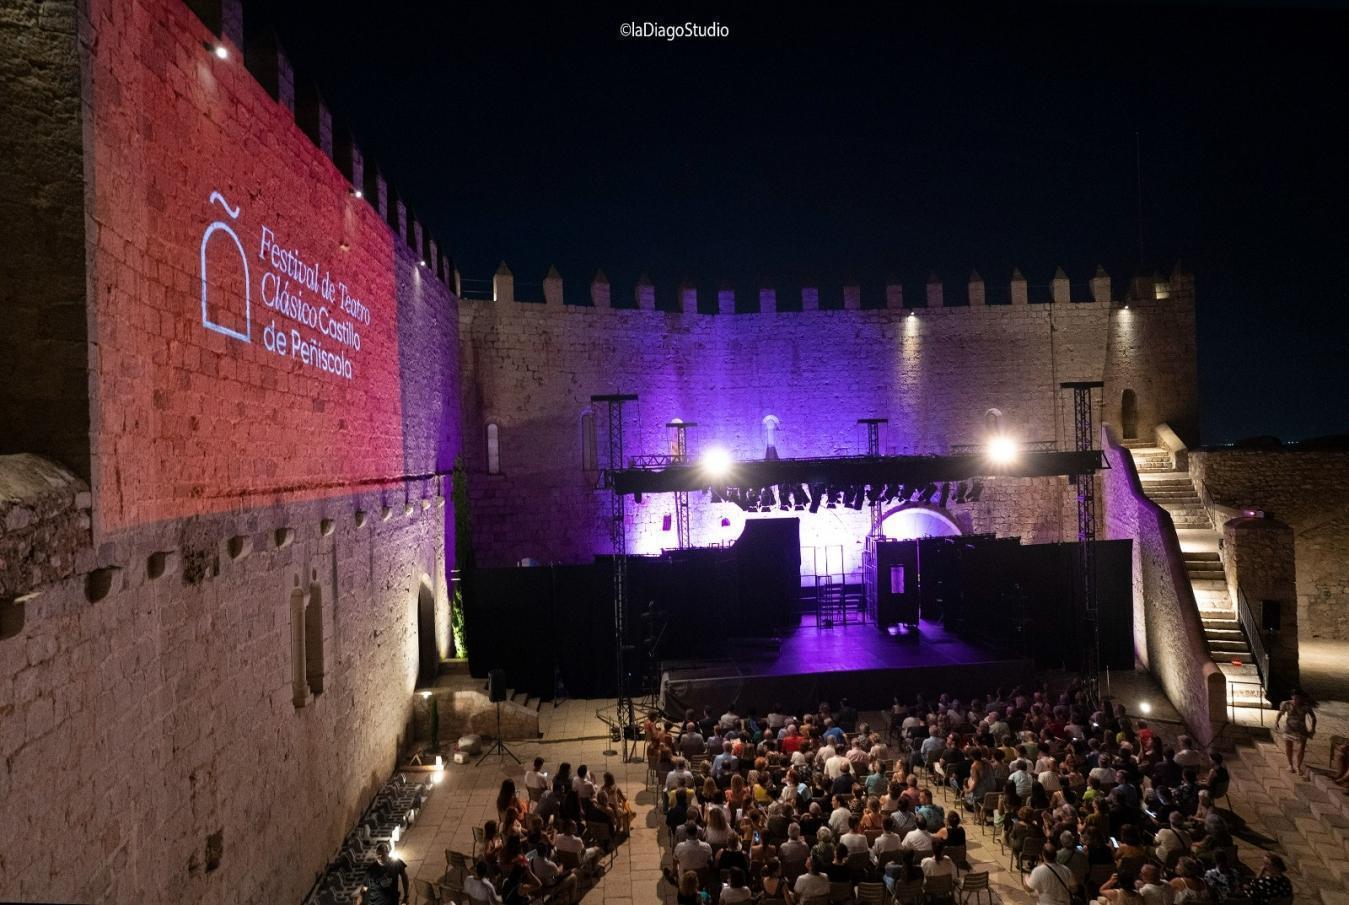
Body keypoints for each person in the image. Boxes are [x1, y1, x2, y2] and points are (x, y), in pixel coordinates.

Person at [1273, 689, 1317, 776]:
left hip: (1301, 729)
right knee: (1289, 746)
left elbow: (1314, 718)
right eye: (1295, 698)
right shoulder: (1286, 704)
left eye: (1299, 698)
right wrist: (1276, 722)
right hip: (1289, 728)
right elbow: (1280, 713)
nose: (1297, 700)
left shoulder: (1305, 706)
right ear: (1292, 697)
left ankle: (1298, 766)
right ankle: (1290, 765)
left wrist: (1313, 728)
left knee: (1301, 748)